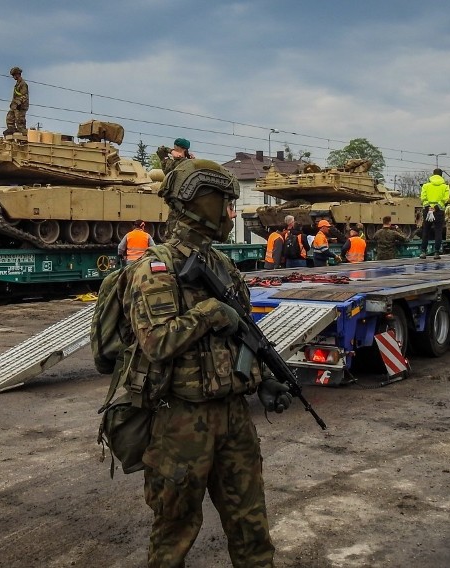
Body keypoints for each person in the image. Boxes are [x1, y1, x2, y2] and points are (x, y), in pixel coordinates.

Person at [120, 158, 292, 566]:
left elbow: (243, 334)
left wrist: (261, 378)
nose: (232, 214)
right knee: (174, 529)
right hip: (182, 419)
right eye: (226, 204)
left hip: (234, 415)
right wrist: (209, 313)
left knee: (251, 523)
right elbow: (157, 342)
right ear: (199, 202)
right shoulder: (155, 269)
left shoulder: (223, 265)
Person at [419, 168, 450, 260]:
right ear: (441, 175)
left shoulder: (425, 185)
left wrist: (429, 207)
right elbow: (445, 199)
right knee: (438, 232)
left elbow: (423, 198)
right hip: (439, 212)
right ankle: (436, 253)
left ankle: (423, 252)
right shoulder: (445, 186)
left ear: (433, 175)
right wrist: (436, 207)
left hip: (427, 210)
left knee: (426, 231)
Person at [4, 66, 29, 136]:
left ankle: (24, 135)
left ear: (18, 74)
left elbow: (24, 95)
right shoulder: (17, 84)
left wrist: (19, 104)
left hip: (21, 106)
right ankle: (12, 131)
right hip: (15, 105)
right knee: (9, 118)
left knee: (20, 121)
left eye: (14, 75)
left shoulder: (23, 84)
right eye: (13, 75)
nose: (13, 77)